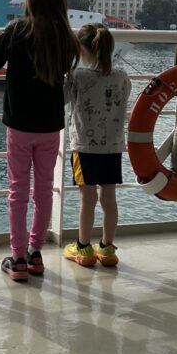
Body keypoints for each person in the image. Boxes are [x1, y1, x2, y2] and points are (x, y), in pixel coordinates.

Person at [0, 0, 79, 282]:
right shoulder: (64, 37)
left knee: (18, 192)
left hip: (19, 125)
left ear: (30, 0)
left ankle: (17, 258)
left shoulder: (17, 30)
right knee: (44, 191)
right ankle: (35, 253)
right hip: (50, 127)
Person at [63, 23, 131, 268]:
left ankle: (83, 248)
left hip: (85, 147)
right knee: (109, 198)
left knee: (88, 199)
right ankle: (107, 248)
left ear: (81, 50)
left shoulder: (78, 77)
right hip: (113, 146)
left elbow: (62, 99)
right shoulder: (122, 76)